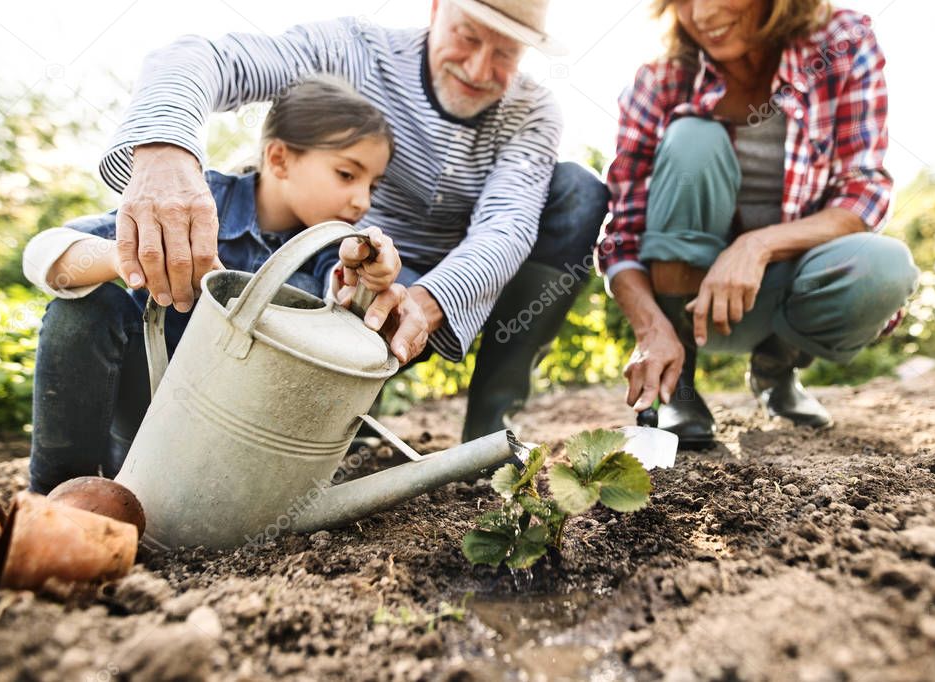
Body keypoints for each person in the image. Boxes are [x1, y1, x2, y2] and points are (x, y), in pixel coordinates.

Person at [97, 0, 611, 442]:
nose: (479, 69)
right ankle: (343, 396)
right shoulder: (354, 52)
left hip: (448, 289)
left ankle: (488, 429)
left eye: (505, 54)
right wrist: (165, 151)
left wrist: (425, 303)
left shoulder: (532, 110)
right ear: (436, 9)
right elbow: (202, 57)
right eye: (467, 36)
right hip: (344, 274)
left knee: (578, 190)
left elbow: (507, 226)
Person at [23, 75, 424, 494]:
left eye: (372, 186)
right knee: (86, 306)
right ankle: (57, 496)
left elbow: (338, 293)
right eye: (347, 174)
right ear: (280, 158)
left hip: (235, 461)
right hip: (144, 434)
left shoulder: (330, 250)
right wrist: (128, 257)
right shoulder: (194, 200)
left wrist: (362, 282)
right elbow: (45, 252)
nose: (362, 200)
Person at [597, 0, 919, 448]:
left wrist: (758, 245)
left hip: (784, 293)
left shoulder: (842, 41)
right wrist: (651, 330)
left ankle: (776, 369)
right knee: (693, 138)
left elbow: (862, 193)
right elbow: (622, 236)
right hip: (691, 302)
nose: (702, 15)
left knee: (886, 267)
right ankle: (679, 385)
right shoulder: (661, 77)